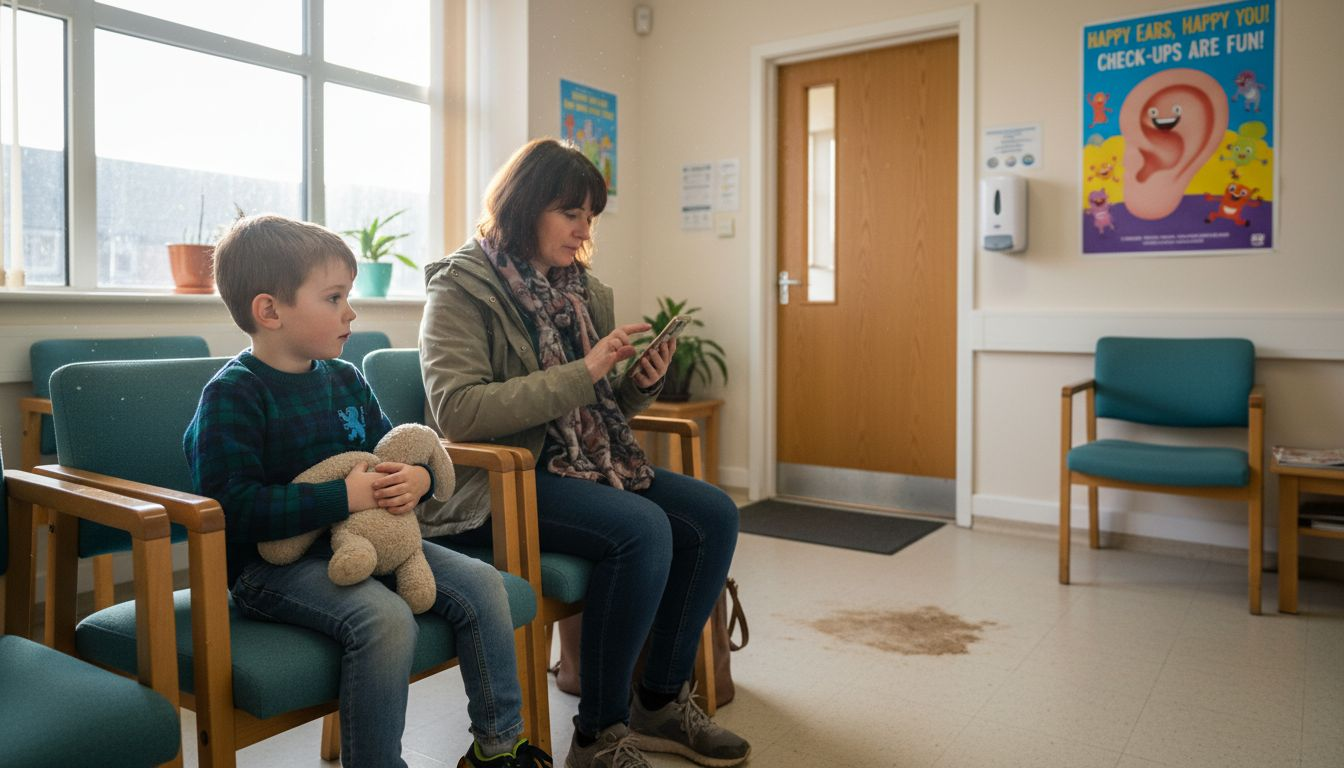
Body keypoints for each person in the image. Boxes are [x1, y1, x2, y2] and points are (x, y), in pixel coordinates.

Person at [419, 138, 750, 768]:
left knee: (714, 515)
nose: (583, 230)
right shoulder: (461, 288)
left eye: (590, 216)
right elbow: (457, 411)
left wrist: (638, 384)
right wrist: (586, 370)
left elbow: (595, 414)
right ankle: (600, 732)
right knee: (643, 528)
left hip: (577, 468)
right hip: (497, 482)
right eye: (570, 213)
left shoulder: (583, 293)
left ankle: (659, 700)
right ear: (524, 206)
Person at [183, 214, 553, 768]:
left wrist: (419, 480)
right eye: (334, 298)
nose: (350, 312)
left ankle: (497, 748)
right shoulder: (234, 395)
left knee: (483, 584)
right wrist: (344, 498)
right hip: (271, 569)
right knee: (385, 619)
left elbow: (392, 452)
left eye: (348, 296)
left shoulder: (346, 378)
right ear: (270, 311)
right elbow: (234, 508)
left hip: (370, 543)